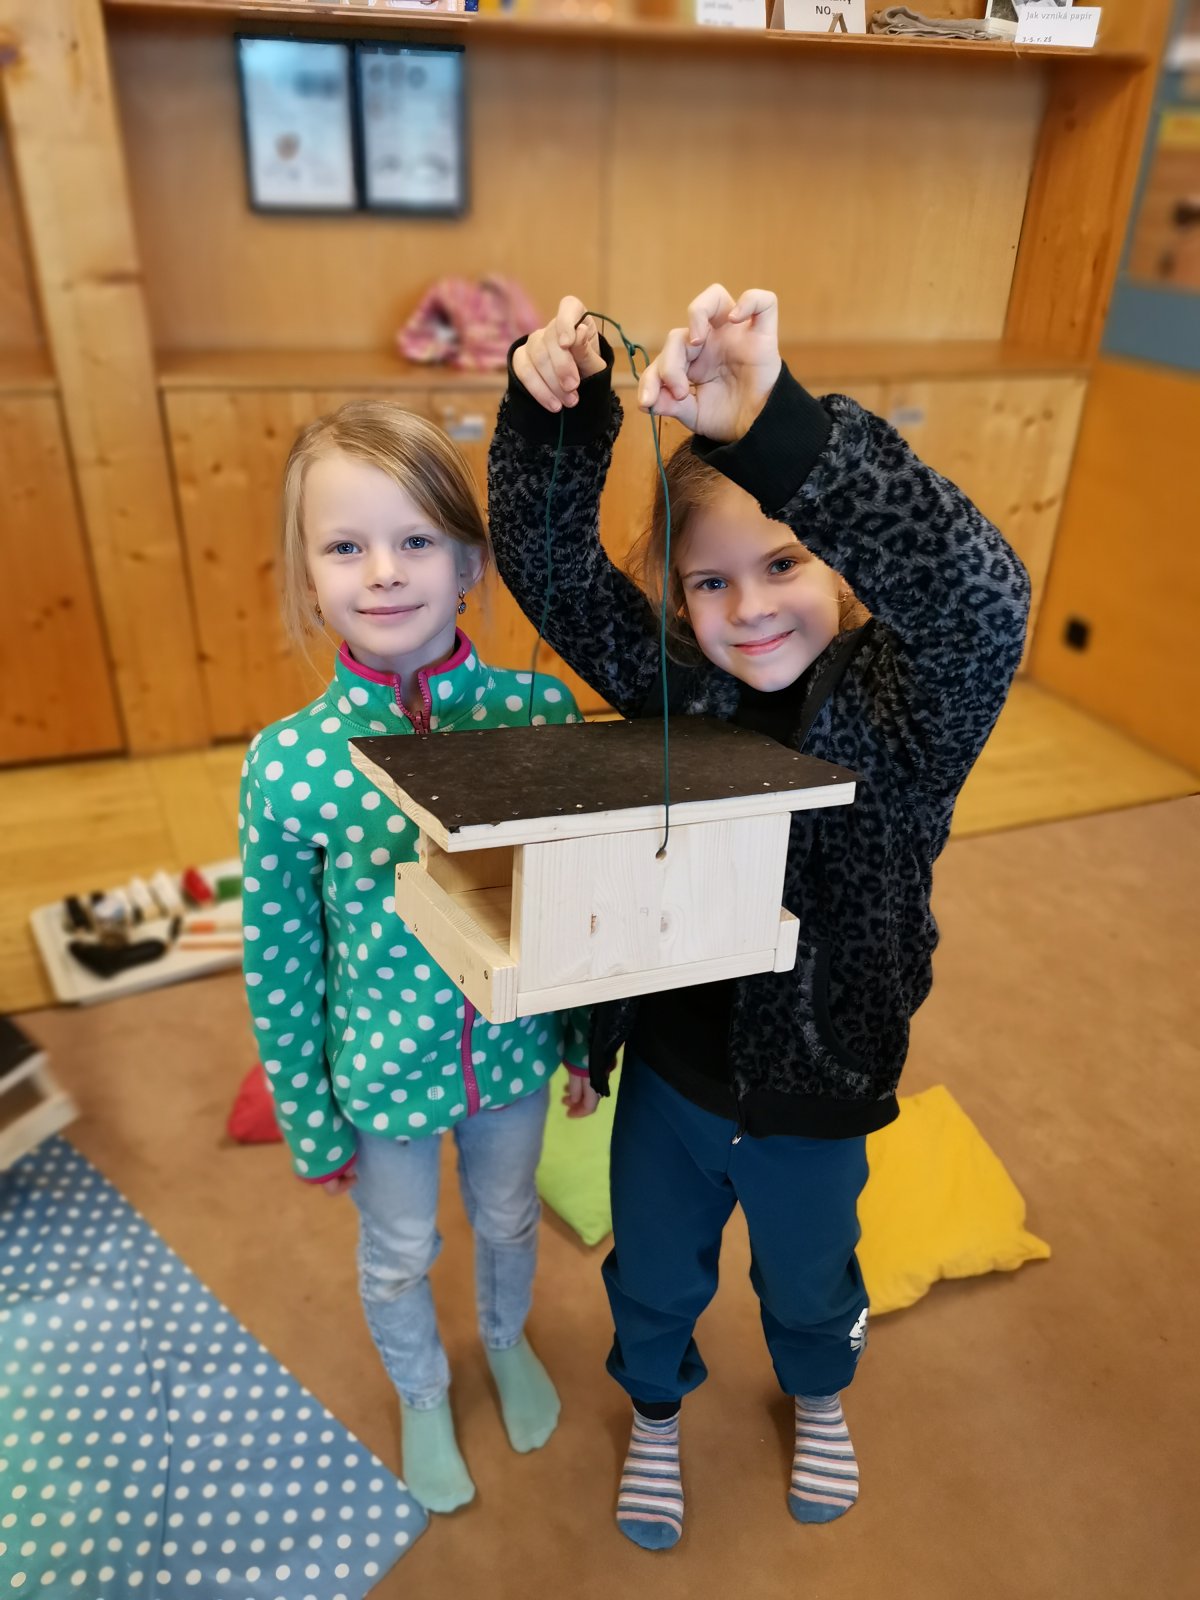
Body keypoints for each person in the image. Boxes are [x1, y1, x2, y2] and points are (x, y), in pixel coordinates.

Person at [488, 286, 1029, 1548]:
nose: (750, 608)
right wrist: (554, 416)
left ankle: (817, 1392)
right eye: (711, 583)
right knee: (651, 1277)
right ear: (679, 601)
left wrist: (779, 431)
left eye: (783, 563)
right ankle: (656, 1411)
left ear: (841, 560)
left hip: (822, 1091)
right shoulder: (678, 691)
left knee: (812, 1277)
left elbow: (982, 597)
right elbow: (554, 572)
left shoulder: (910, 715)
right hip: (672, 1082)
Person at [239, 397, 595, 1514]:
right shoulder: (289, 765)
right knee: (398, 1252)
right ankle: (424, 1392)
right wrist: (308, 1116)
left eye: (417, 540)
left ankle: (506, 1339)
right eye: (346, 546)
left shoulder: (536, 713)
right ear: (309, 577)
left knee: (509, 1218)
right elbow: (280, 962)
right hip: (380, 1075)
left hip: (514, 1052)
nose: (385, 572)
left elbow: (578, 899)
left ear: (470, 562)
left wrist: (583, 1040)